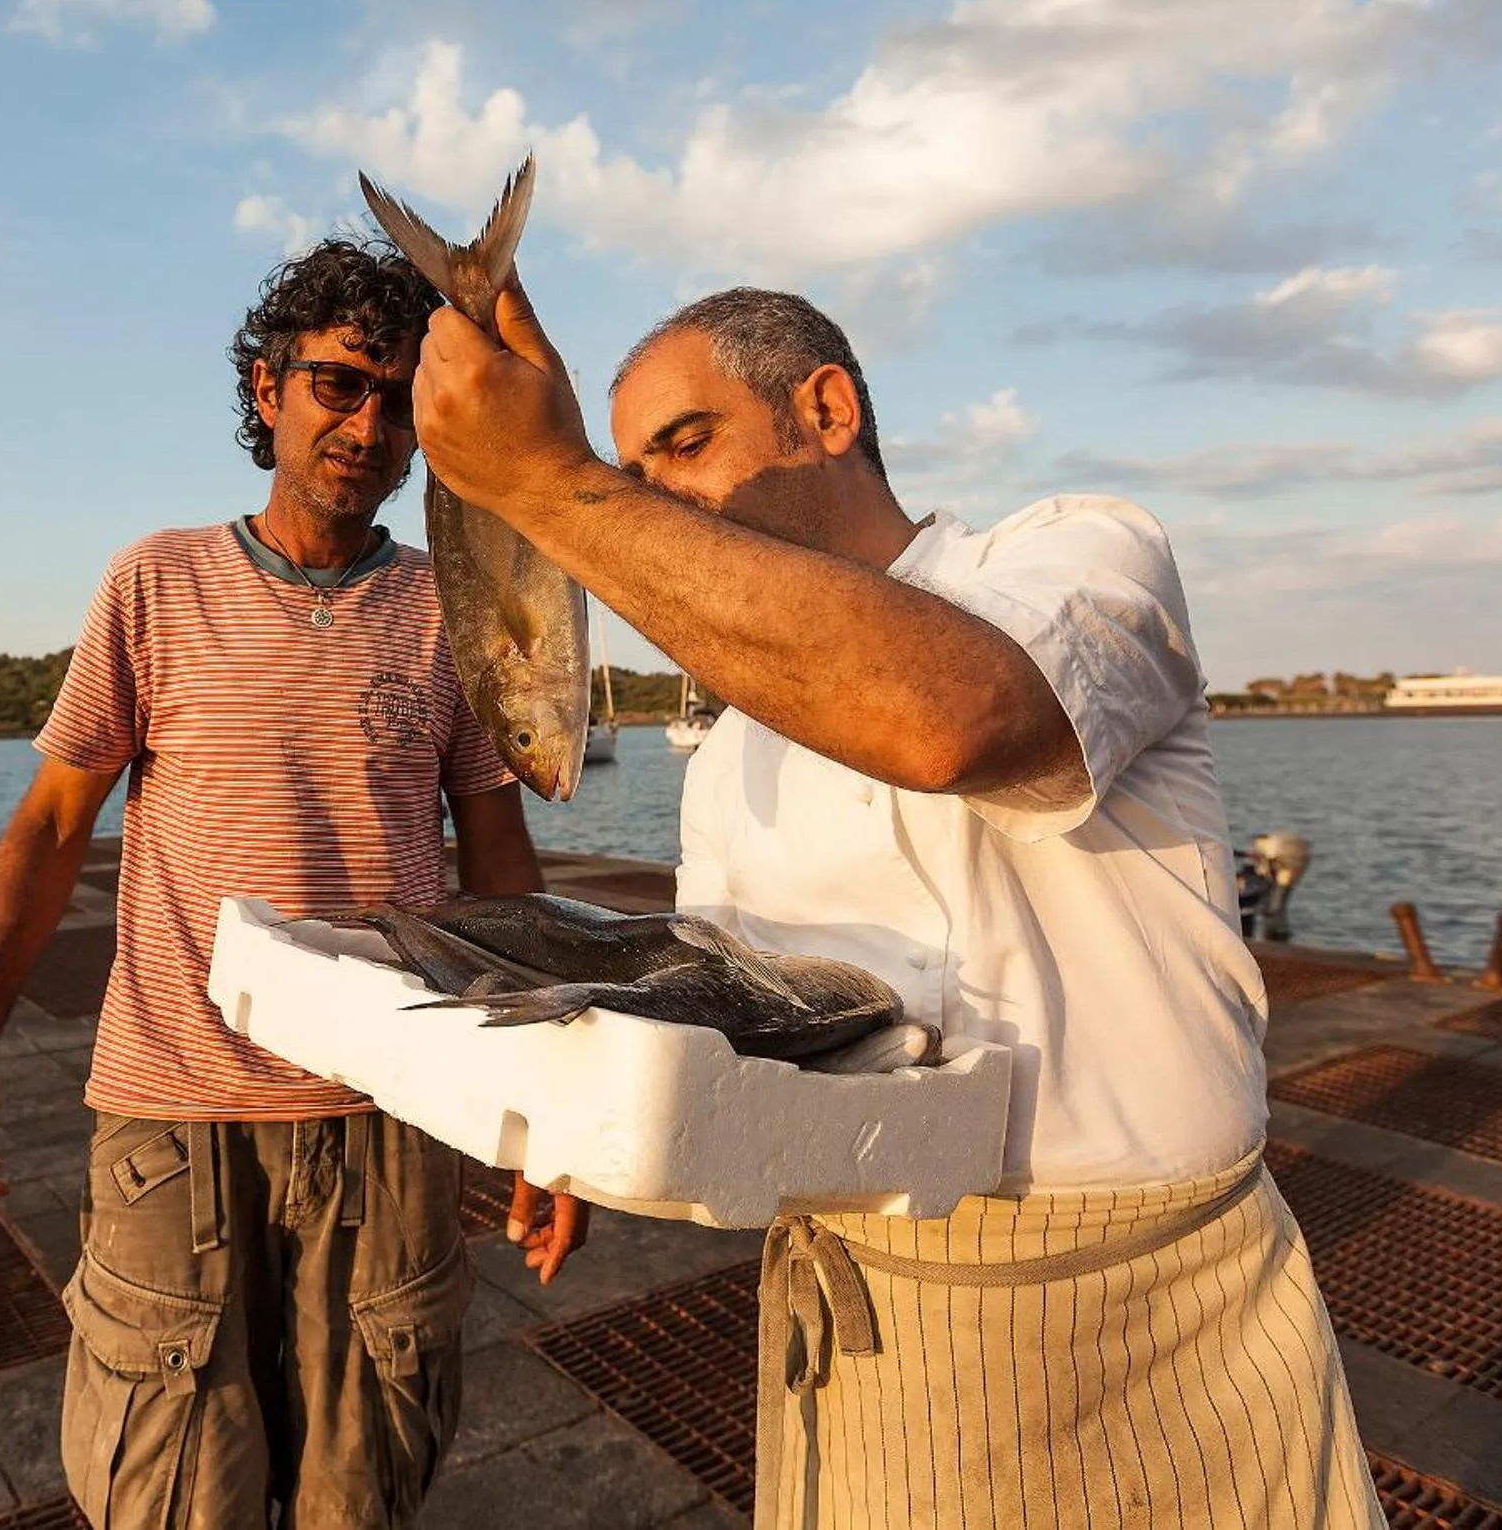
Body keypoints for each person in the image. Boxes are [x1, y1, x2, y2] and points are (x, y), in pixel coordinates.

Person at [408, 283, 1380, 1528]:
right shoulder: (725, 749)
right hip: (863, 1310)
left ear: (825, 408)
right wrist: (586, 1122)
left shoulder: (1076, 556)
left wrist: (543, 484)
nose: (651, 496)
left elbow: (950, 720)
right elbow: (733, 1008)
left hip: (1156, 1311)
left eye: (685, 443)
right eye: (631, 469)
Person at [0, 238, 588, 1529]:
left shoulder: (455, 604)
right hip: (176, 1113)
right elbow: (55, 823)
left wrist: (545, 1109)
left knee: (364, 1491)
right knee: (171, 1494)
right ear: (267, 389)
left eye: (397, 401)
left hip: (397, 1107)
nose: (367, 423)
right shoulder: (154, 581)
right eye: (337, 383)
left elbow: (498, 858)